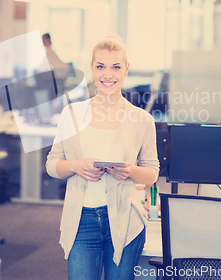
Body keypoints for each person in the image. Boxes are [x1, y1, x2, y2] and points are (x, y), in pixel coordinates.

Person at [46, 35, 159, 280]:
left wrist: (130, 170)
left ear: (126, 68)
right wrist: (76, 165)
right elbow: (52, 165)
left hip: (124, 218)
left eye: (115, 67)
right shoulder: (72, 114)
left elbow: (152, 172)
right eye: (101, 67)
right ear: (92, 68)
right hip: (81, 219)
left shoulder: (141, 119)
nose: (108, 75)